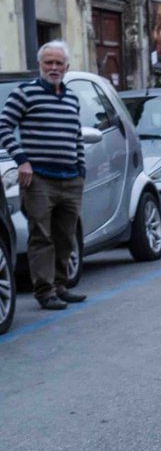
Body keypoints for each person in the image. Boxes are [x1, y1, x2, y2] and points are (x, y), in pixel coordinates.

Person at [0, 42, 86, 311]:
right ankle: (44, 291)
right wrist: (22, 160)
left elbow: (77, 136)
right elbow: (3, 126)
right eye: (48, 62)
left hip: (71, 179)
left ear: (67, 67)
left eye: (58, 63)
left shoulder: (72, 98)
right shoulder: (25, 94)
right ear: (40, 65)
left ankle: (60, 286)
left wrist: (81, 169)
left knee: (66, 236)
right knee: (42, 236)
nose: (53, 68)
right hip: (39, 180)